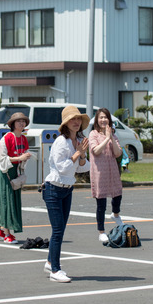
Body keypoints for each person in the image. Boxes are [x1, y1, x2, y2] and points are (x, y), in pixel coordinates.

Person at [42, 105, 90, 283]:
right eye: (73, 119)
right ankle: (55, 270)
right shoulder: (61, 142)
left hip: (67, 189)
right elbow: (62, 168)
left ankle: (49, 261)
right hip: (53, 189)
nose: (76, 122)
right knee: (58, 230)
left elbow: (84, 168)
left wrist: (82, 154)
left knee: (60, 230)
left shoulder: (77, 140)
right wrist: (78, 153)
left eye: (78, 119)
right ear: (65, 123)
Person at [0, 112, 31, 244]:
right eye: (18, 121)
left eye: (23, 121)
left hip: (15, 172)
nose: (21, 123)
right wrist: (19, 158)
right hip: (5, 172)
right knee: (7, 201)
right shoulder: (6, 138)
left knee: (11, 201)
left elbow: (22, 155)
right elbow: (2, 160)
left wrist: (25, 158)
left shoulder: (24, 139)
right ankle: (7, 234)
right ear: (12, 124)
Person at [89, 108, 124, 243]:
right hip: (99, 172)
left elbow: (117, 153)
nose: (103, 120)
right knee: (101, 203)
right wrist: (106, 138)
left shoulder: (113, 135)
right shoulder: (93, 134)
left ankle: (115, 214)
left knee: (118, 194)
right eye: (101, 117)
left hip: (112, 170)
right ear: (97, 120)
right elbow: (96, 151)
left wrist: (111, 137)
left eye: (106, 117)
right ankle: (101, 231)